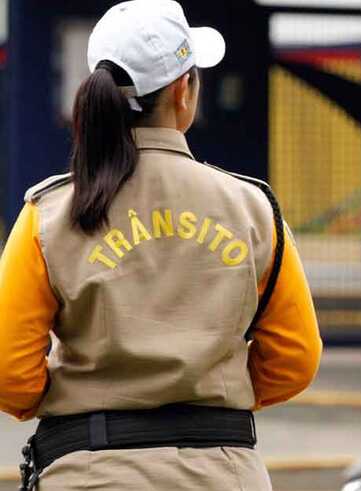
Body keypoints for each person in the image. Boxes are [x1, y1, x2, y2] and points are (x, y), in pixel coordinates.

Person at [0, 1, 322, 490]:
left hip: (88, 473)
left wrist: (70, 398)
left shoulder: (49, 213)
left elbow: (7, 368)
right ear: (182, 90)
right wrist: (211, 392)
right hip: (223, 472)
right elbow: (296, 359)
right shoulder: (254, 208)